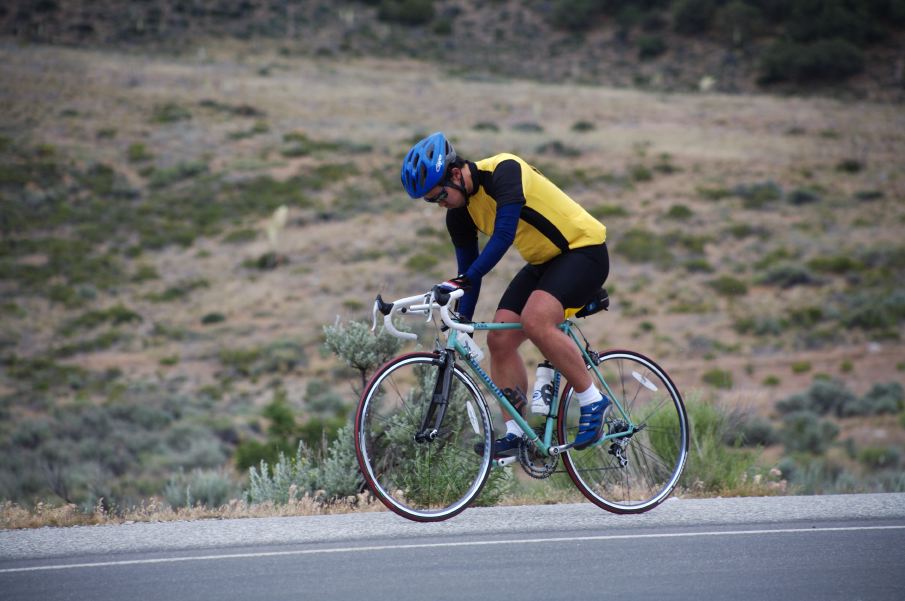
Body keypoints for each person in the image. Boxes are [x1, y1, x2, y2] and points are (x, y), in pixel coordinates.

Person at [400, 132, 611, 456]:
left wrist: (462, 281)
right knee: (498, 341)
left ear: (455, 174)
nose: (437, 204)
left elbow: (502, 236)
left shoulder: (504, 170)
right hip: (544, 261)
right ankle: (516, 434)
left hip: (583, 250)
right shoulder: (458, 215)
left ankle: (592, 400)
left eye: (437, 196)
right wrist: (462, 321)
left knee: (535, 320)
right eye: (430, 201)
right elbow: (468, 272)